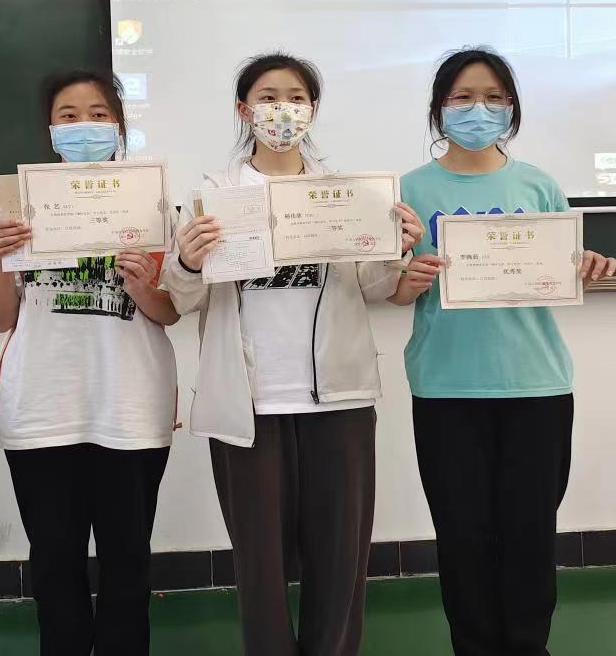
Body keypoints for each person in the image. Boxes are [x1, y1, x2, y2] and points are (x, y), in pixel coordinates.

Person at [162, 53, 425, 656]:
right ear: (244, 109)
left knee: (342, 557)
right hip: (248, 404)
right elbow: (181, 299)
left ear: (312, 111)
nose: (283, 110)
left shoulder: (346, 194)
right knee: (259, 565)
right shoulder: (211, 198)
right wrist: (188, 262)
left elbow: (375, 286)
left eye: (296, 98)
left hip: (340, 398)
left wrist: (396, 247)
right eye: (268, 97)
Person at [390, 47, 616, 656]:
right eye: (463, 97)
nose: (479, 109)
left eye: (494, 98)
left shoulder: (538, 185)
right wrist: (408, 280)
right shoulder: (408, 189)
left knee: (530, 534)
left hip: (537, 385)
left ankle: (527, 646)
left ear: (512, 108)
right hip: (446, 385)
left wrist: (585, 265)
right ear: (440, 108)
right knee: (461, 535)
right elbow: (390, 288)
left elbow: (557, 270)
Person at [0, 70, 179, 656]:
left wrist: (142, 285)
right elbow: (0, 318)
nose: (85, 126)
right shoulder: (14, 204)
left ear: (120, 125)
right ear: (50, 129)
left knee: (128, 562)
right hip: (42, 407)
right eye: (69, 115)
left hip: (131, 406)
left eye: (98, 114)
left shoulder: (154, 202)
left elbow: (171, 312)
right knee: (54, 564)